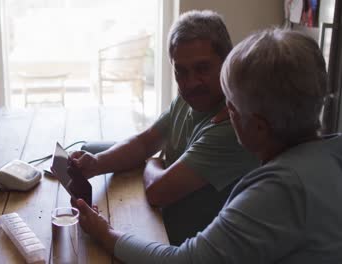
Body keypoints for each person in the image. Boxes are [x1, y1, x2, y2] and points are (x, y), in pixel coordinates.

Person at [74, 28, 342, 263]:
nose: (223, 113)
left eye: (232, 106)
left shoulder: (279, 190)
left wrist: (103, 232)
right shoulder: (329, 151)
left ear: (259, 127)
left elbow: (184, 261)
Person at [70, 10, 258, 245]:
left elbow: (158, 191)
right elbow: (145, 142)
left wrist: (154, 161)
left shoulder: (233, 125)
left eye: (202, 68)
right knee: (91, 152)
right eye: (181, 70)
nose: (190, 83)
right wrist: (96, 164)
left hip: (185, 239)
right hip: (164, 210)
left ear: (226, 62)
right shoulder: (186, 98)